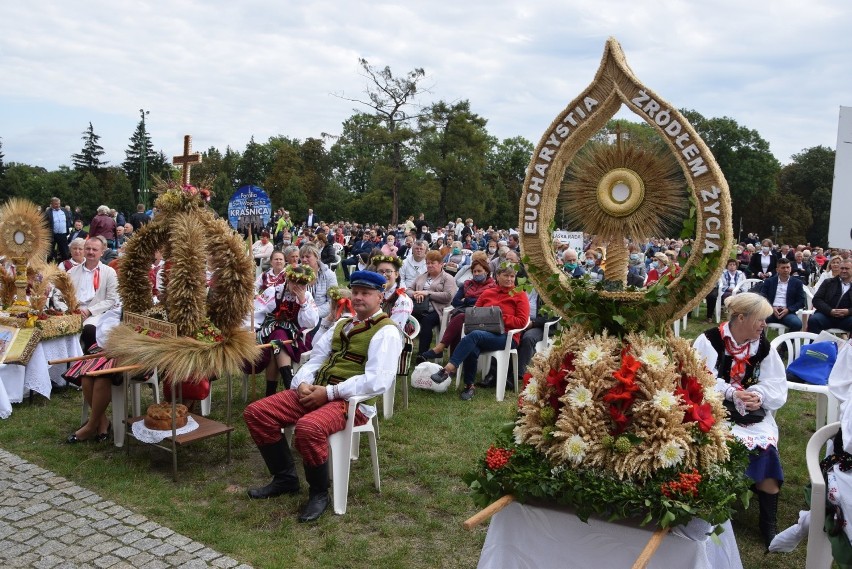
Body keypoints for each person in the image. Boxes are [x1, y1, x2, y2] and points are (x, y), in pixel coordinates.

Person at [243, 271, 402, 522]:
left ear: (380, 297)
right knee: (257, 412)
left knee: (308, 428)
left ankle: (319, 493)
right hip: (318, 390)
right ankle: (285, 478)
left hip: (352, 404)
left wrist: (329, 393)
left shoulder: (387, 332)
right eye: (356, 292)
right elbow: (316, 357)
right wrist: (302, 383)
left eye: (366, 293)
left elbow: (377, 381)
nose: (358, 298)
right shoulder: (342, 323)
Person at [692, 292, 787, 549]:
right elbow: (698, 380)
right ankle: (707, 506)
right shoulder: (710, 341)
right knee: (714, 443)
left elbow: (776, 383)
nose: (764, 325)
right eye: (760, 319)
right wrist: (731, 392)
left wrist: (758, 395)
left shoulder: (763, 346)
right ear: (742, 318)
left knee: (766, 448)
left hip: (750, 415)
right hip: (712, 410)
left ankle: (768, 523)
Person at [430, 263, 529, 400]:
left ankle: (447, 369)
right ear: (497, 276)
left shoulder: (520, 294)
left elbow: (522, 322)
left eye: (512, 276)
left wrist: (498, 317)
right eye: (506, 275)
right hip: (484, 332)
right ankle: (469, 386)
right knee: (473, 345)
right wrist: (488, 317)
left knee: (474, 336)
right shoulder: (488, 293)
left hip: (507, 337)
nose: (509, 279)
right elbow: (474, 314)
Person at [64, 236, 120, 443]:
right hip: (74, 312)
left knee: (89, 330)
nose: (89, 252)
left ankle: (93, 423)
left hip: (99, 315)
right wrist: (69, 310)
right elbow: (63, 296)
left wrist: (90, 310)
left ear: (102, 251)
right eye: (87, 248)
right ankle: (101, 421)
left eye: (94, 249)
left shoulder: (108, 272)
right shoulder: (72, 272)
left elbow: (112, 300)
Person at [253, 265, 319, 396]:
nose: (298, 287)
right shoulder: (274, 292)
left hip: (294, 338)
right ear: (288, 280)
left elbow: (311, 322)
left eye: (302, 284)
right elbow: (256, 313)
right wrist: (253, 330)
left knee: (276, 346)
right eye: (295, 283)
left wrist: (303, 302)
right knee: (278, 335)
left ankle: (271, 393)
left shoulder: (306, 296)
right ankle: (289, 383)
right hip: (270, 332)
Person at [419, 254, 495, 362]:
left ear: (486, 272)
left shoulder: (492, 286)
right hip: (463, 312)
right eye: (474, 271)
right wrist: (472, 301)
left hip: (481, 316)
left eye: (479, 271)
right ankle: (453, 361)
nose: (476, 274)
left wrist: (467, 300)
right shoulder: (467, 284)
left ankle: (441, 350)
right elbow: (455, 301)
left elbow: (485, 303)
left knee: (459, 318)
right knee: (458, 323)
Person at [408, 250, 457, 357]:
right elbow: (409, 290)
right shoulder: (422, 276)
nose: (429, 265)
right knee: (405, 318)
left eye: (432, 263)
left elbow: (448, 296)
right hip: (419, 307)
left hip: (438, 309)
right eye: (427, 263)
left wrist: (427, 293)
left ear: (441, 264)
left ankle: (422, 355)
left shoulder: (448, 278)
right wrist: (416, 294)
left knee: (427, 321)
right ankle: (404, 350)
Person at [760, 257, 805, 332]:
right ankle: (763, 342)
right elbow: (762, 297)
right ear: (777, 269)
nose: (786, 270)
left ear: (791, 268)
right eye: (783, 268)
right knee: (756, 320)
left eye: (788, 267)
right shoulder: (769, 281)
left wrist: (788, 310)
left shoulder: (797, 283)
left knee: (797, 324)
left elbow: (801, 301)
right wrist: (771, 308)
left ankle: (785, 344)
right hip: (770, 310)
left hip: (787, 312)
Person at [808, 258, 852, 335]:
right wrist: (830, 311)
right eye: (842, 268)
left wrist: (848, 311)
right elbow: (816, 300)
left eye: (847, 268)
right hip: (826, 316)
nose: (844, 271)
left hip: (847, 318)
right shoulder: (828, 282)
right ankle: (815, 346)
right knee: (814, 320)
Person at [44, 197, 72, 262]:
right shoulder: (48, 212)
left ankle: (65, 266)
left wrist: (68, 229)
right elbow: (45, 224)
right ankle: (49, 267)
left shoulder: (64, 210)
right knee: (50, 252)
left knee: (64, 252)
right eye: (56, 204)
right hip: (52, 235)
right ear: (51, 204)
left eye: (59, 204)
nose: (58, 205)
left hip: (62, 234)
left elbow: (68, 220)